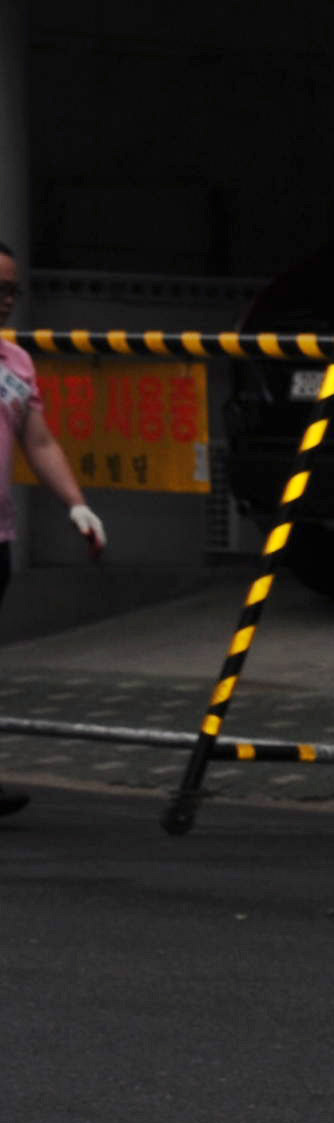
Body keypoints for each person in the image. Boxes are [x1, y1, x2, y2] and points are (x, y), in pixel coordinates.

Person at [0, 252, 113, 825]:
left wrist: (77, 506)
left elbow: (38, 442)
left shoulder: (15, 362)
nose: (5, 299)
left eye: (11, 290)